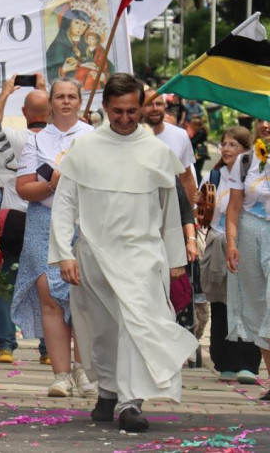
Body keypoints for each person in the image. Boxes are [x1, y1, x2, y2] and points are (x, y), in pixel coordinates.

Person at [51, 73, 197, 433]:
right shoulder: (84, 148)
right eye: (118, 111)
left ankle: (131, 402)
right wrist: (63, 254)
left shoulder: (157, 152)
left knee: (137, 326)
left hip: (143, 255)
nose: (125, 118)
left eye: (132, 111)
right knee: (101, 329)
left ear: (141, 108)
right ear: (104, 108)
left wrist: (176, 260)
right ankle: (108, 390)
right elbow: (65, 202)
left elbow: (169, 211)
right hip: (95, 254)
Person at [12, 78, 96, 399]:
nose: (65, 102)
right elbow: (24, 188)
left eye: (71, 96)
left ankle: (84, 369)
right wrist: (53, 183)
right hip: (43, 221)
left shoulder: (92, 137)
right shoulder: (36, 141)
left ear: (79, 101)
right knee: (49, 296)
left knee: (81, 297)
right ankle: (60, 374)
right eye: (59, 97)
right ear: (50, 103)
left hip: (83, 223)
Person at [0, 78, 50, 364]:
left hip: (13, 218)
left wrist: (5, 93)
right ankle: (49, 349)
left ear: (25, 113)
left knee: (5, 283)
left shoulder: (15, 138)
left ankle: (5, 344)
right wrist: (46, 90)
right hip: (47, 219)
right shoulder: (59, 143)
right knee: (47, 283)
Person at [200, 127, 262, 384]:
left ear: (246, 150)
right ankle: (223, 360)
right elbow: (203, 215)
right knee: (220, 303)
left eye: (233, 145)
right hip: (217, 245)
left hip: (245, 244)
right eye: (224, 144)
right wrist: (200, 205)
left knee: (246, 302)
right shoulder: (214, 175)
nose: (226, 149)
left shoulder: (254, 176)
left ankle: (247, 362)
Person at [225, 118, 270, 399]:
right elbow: (233, 208)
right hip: (250, 231)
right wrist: (231, 243)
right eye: (261, 119)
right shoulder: (245, 160)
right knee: (257, 307)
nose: (266, 125)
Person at [142, 91, 198, 205]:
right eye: (149, 104)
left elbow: (187, 179)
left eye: (158, 104)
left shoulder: (180, 135)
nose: (155, 108)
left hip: (172, 208)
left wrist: (191, 217)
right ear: (139, 107)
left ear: (165, 106)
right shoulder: (132, 135)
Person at [45, 7, 89, 82]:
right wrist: (63, 70)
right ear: (69, 22)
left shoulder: (86, 45)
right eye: (77, 22)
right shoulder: (58, 45)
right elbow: (47, 73)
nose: (80, 27)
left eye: (84, 24)